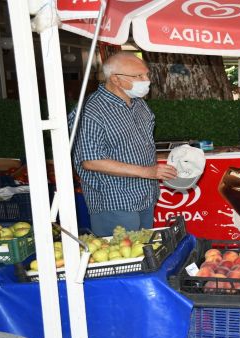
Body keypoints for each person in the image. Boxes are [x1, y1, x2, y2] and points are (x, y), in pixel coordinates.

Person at [69, 52, 177, 236]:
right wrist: (148, 172)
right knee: (123, 260)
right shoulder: (90, 110)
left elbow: (140, 145)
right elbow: (90, 161)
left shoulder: (140, 105)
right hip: (114, 201)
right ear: (116, 79)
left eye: (146, 75)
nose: (146, 80)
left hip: (145, 195)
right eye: (139, 76)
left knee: (146, 256)